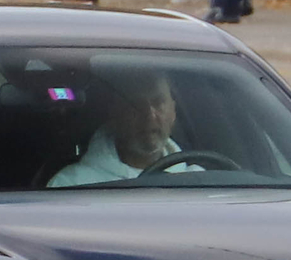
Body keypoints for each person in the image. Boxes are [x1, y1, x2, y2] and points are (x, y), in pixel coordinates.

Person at [49, 70, 189, 186]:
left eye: (158, 103)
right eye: (135, 105)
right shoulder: (71, 185)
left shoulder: (201, 180)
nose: (149, 116)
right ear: (114, 113)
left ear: (173, 111)